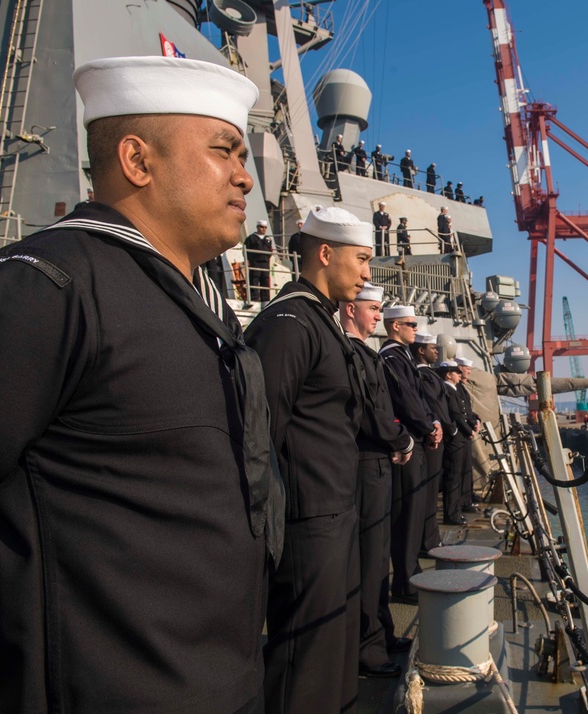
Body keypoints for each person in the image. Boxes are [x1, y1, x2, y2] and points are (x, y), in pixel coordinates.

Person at [0, 56, 283, 713]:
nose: (245, 176)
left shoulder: (196, 305)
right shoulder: (44, 286)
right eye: (224, 151)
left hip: (224, 678)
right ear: (137, 160)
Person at [245, 205, 373, 714]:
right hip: (307, 523)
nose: (367, 274)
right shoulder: (289, 324)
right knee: (304, 657)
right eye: (361, 259)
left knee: (333, 649)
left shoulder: (319, 322)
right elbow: (260, 437)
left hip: (336, 513)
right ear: (325, 253)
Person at [339, 283, 414, 679]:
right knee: (369, 561)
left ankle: (382, 633)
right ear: (351, 310)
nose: (377, 317)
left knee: (378, 558)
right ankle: (368, 650)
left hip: (378, 464)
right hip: (366, 465)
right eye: (372, 309)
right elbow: (369, 412)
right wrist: (400, 438)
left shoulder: (365, 353)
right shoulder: (350, 351)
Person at [379, 306, 441, 605]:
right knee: (406, 516)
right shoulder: (391, 357)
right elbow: (405, 400)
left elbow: (419, 398)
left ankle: (410, 575)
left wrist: (434, 423)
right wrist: (428, 426)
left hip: (418, 438)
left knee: (415, 513)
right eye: (410, 324)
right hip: (408, 443)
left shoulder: (402, 357)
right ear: (394, 327)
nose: (415, 329)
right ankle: (404, 583)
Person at [412, 333, 456, 552]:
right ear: (421, 350)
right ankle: (427, 541)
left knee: (431, 491)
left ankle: (430, 537)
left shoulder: (428, 374)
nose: (437, 351)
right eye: (432, 348)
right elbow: (435, 406)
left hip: (437, 436)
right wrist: (449, 428)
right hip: (432, 439)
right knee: (428, 493)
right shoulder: (423, 375)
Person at [439, 361, 472, 524]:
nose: (460, 375)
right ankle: (451, 515)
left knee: (458, 475)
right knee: (453, 477)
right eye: (456, 372)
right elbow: (456, 414)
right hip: (455, 439)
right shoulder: (447, 390)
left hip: (460, 437)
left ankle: (456, 511)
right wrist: (468, 431)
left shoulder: (454, 390)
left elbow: (463, 413)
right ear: (448, 375)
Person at [454, 356, 482, 511]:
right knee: (460, 470)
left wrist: (476, 419)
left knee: (467, 468)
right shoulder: (455, 388)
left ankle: (468, 495)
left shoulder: (461, 387)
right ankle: (463, 501)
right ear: (459, 368)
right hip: (460, 434)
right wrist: (469, 428)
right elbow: (458, 412)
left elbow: (467, 411)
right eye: (467, 369)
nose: (469, 372)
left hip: (465, 433)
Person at [244, 219, 273, 301]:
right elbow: (246, 250)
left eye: (265, 227)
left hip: (265, 263)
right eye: (262, 227)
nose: (263, 229)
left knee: (265, 281)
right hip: (255, 262)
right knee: (254, 280)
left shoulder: (268, 239)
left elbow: (270, 250)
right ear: (257, 227)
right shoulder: (251, 238)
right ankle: (254, 298)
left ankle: (266, 299)